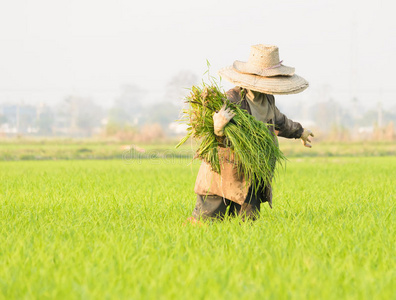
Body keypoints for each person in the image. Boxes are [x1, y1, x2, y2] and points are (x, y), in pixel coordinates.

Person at [189, 44, 314, 222]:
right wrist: (218, 127)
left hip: (252, 174)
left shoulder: (268, 99)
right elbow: (211, 131)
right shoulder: (232, 100)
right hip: (224, 172)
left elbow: (279, 121)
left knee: (247, 229)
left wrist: (300, 132)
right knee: (204, 223)